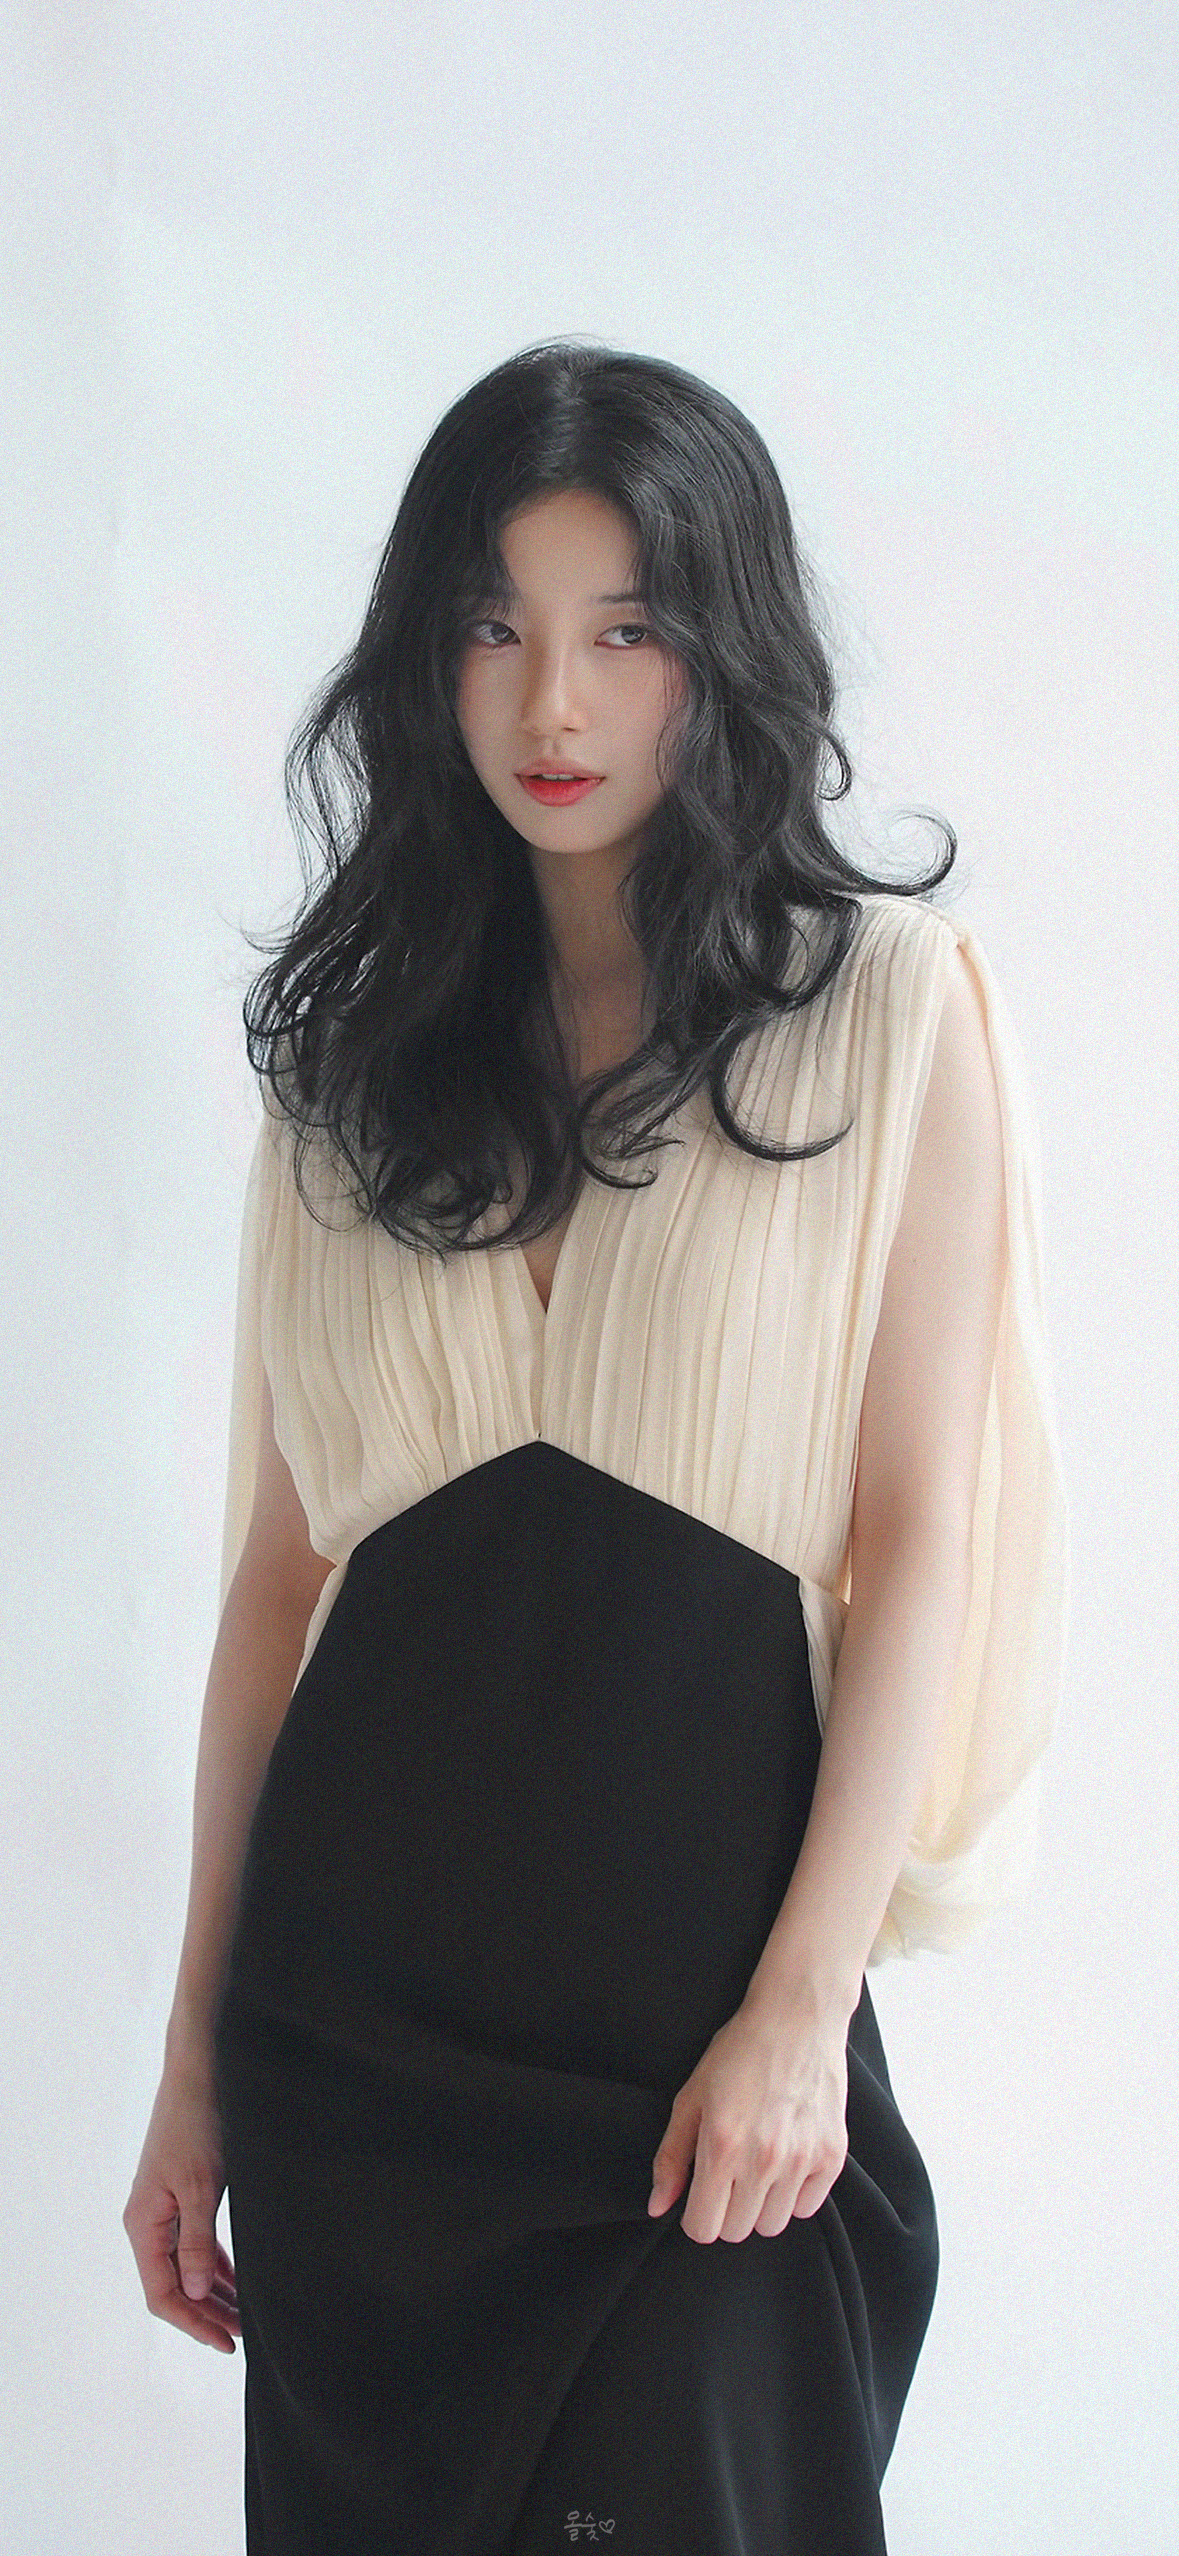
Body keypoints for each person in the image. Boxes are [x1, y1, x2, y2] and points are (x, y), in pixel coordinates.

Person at [123, 339, 1069, 2554]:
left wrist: (799, 2011)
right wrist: (192, 2062)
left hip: (698, 2060)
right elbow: (277, 1590)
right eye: (493, 625)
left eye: (623, 631)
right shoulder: (348, 1081)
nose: (551, 702)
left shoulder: (885, 1010)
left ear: (719, 651)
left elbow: (919, 1542)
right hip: (359, 2060)